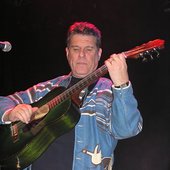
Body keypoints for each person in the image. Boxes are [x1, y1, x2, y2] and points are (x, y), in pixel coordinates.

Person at [0, 21, 143, 170]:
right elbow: (3, 101)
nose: (82, 55)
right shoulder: (48, 88)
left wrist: (122, 86)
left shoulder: (109, 92)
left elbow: (128, 129)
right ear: (67, 53)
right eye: (76, 49)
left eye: (88, 49)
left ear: (99, 53)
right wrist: (10, 113)